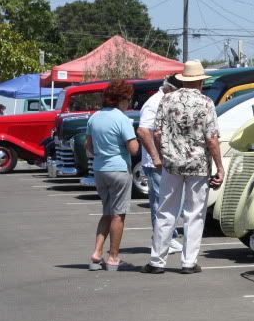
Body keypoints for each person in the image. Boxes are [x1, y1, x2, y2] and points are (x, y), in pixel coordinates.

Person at [142, 61, 224, 274]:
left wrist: (163, 155)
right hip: (197, 165)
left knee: (165, 211)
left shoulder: (167, 100)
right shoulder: (206, 102)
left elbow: (157, 133)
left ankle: (157, 261)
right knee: (194, 213)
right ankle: (189, 262)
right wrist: (220, 167)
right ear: (200, 81)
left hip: (172, 164)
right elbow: (212, 139)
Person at [86, 80, 139, 271]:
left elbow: (89, 147)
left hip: (100, 169)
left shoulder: (94, 118)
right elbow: (133, 149)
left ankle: (96, 253)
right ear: (121, 99)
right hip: (119, 169)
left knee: (107, 212)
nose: (129, 103)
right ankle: (113, 258)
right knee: (118, 215)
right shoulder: (122, 119)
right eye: (128, 99)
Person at [135, 75, 182, 253]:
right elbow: (143, 130)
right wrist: (155, 157)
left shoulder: (165, 101)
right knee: (162, 202)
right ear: (169, 88)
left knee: (166, 200)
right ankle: (162, 240)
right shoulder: (154, 103)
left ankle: (167, 237)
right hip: (156, 162)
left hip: (164, 160)